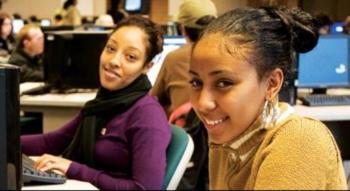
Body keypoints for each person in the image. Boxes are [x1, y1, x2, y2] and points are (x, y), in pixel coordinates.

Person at [189, 7, 347, 189]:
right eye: (196, 82)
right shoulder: (228, 137)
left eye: (224, 83)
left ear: (272, 83)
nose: (202, 104)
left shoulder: (299, 141)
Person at [21, 16, 171, 190]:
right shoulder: (102, 103)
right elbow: (53, 142)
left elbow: (144, 188)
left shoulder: (147, 116)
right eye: (111, 48)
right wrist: (6, 141)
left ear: (147, 66)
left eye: (130, 57)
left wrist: (73, 168)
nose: (114, 61)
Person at [151, 0, 217, 116]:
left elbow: (154, 100)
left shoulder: (174, 58)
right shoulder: (230, 54)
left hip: (185, 130)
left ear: (182, 29)